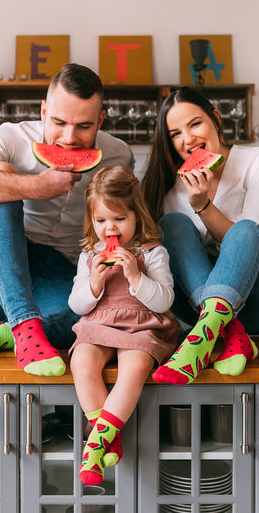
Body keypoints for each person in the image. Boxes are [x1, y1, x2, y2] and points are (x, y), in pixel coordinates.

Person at [0, 63, 134, 377]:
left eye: (83, 126)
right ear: (43, 111)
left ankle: (1, 334)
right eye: (58, 122)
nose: (69, 139)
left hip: (58, 277)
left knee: (108, 319)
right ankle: (24, 322)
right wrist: (34, 186)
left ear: (100, 120)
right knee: (0, 174)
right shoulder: (12, 137)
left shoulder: (119, 155)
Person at [141, 86, 259, 385]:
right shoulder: (170, 187)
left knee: (245, 229)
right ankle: (225, 331)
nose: (187, 139)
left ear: (216, 119)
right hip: (198, 305)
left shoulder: (258, 163)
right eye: (175, 134)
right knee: (171, 223)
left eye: (194, 124)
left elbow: (250, 243)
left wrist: (203, 206)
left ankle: (199, 343)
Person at [68, 165, 178, 485]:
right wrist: (93, 284)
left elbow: (164, 300)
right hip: (99, 324)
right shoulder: (90, 255)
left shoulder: (153, 253)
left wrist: (136, 278)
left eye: (119, 219)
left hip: (142, 325)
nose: (109, 229)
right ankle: (109, 437)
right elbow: (76, 305)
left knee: (137, 366)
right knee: (81, 361)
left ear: (137, 217)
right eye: (101, 220)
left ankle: (94, 445)